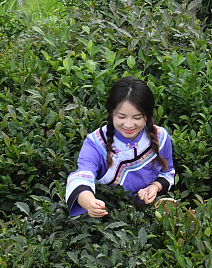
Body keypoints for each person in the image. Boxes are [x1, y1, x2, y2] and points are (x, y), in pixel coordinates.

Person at [65, 77, 176, 218]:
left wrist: (155, 187)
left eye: (137, 117)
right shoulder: (96, 143)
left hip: (150, 215)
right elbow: (80, 178)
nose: (129, 125)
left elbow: (168, 173)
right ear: (112, 113)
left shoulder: (160, 137)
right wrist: (90, 203)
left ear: (147, 116)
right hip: (111, 217)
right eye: (121, 116)